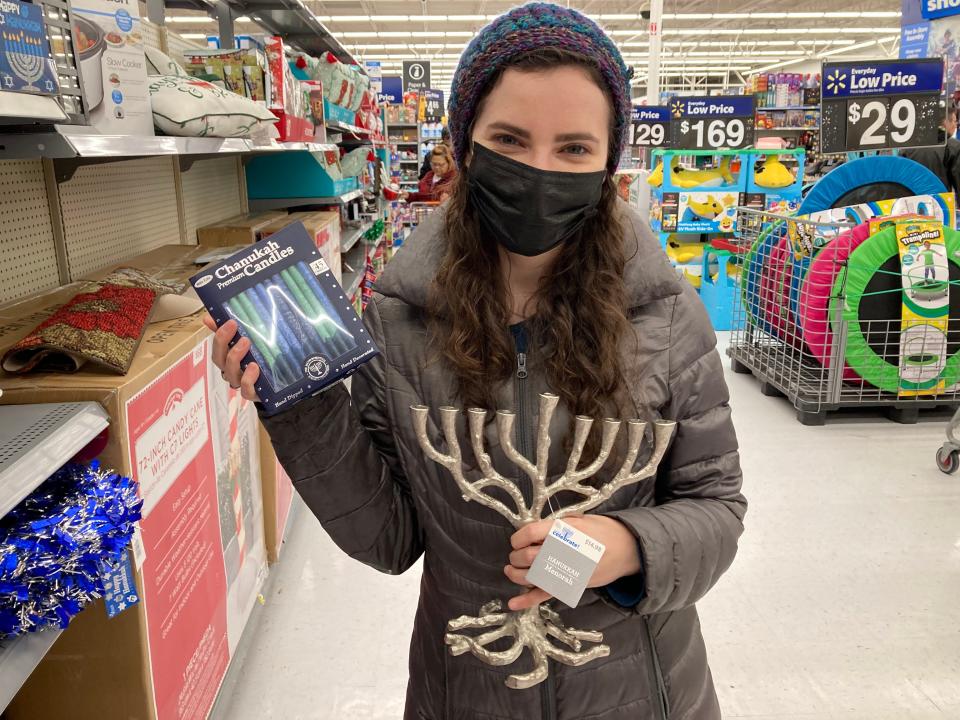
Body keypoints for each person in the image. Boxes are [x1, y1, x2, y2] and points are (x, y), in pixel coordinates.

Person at [206, 4, 745, 718]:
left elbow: (718, 507)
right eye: (510, 139)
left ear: (608, 163)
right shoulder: (398, 316)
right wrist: (300, 405)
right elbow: (390, 538)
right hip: (467, 688)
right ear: (464, 145)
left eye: (574, 149)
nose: (539, 171)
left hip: (641, 691)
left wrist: (626, 546)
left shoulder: (667, 314)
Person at [902, 105, 960, 200]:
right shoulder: (952, 146)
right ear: (945, 122)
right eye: (954, 121)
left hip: (914, 204)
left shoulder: (908, 147)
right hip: (943, 204)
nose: (955, 125)